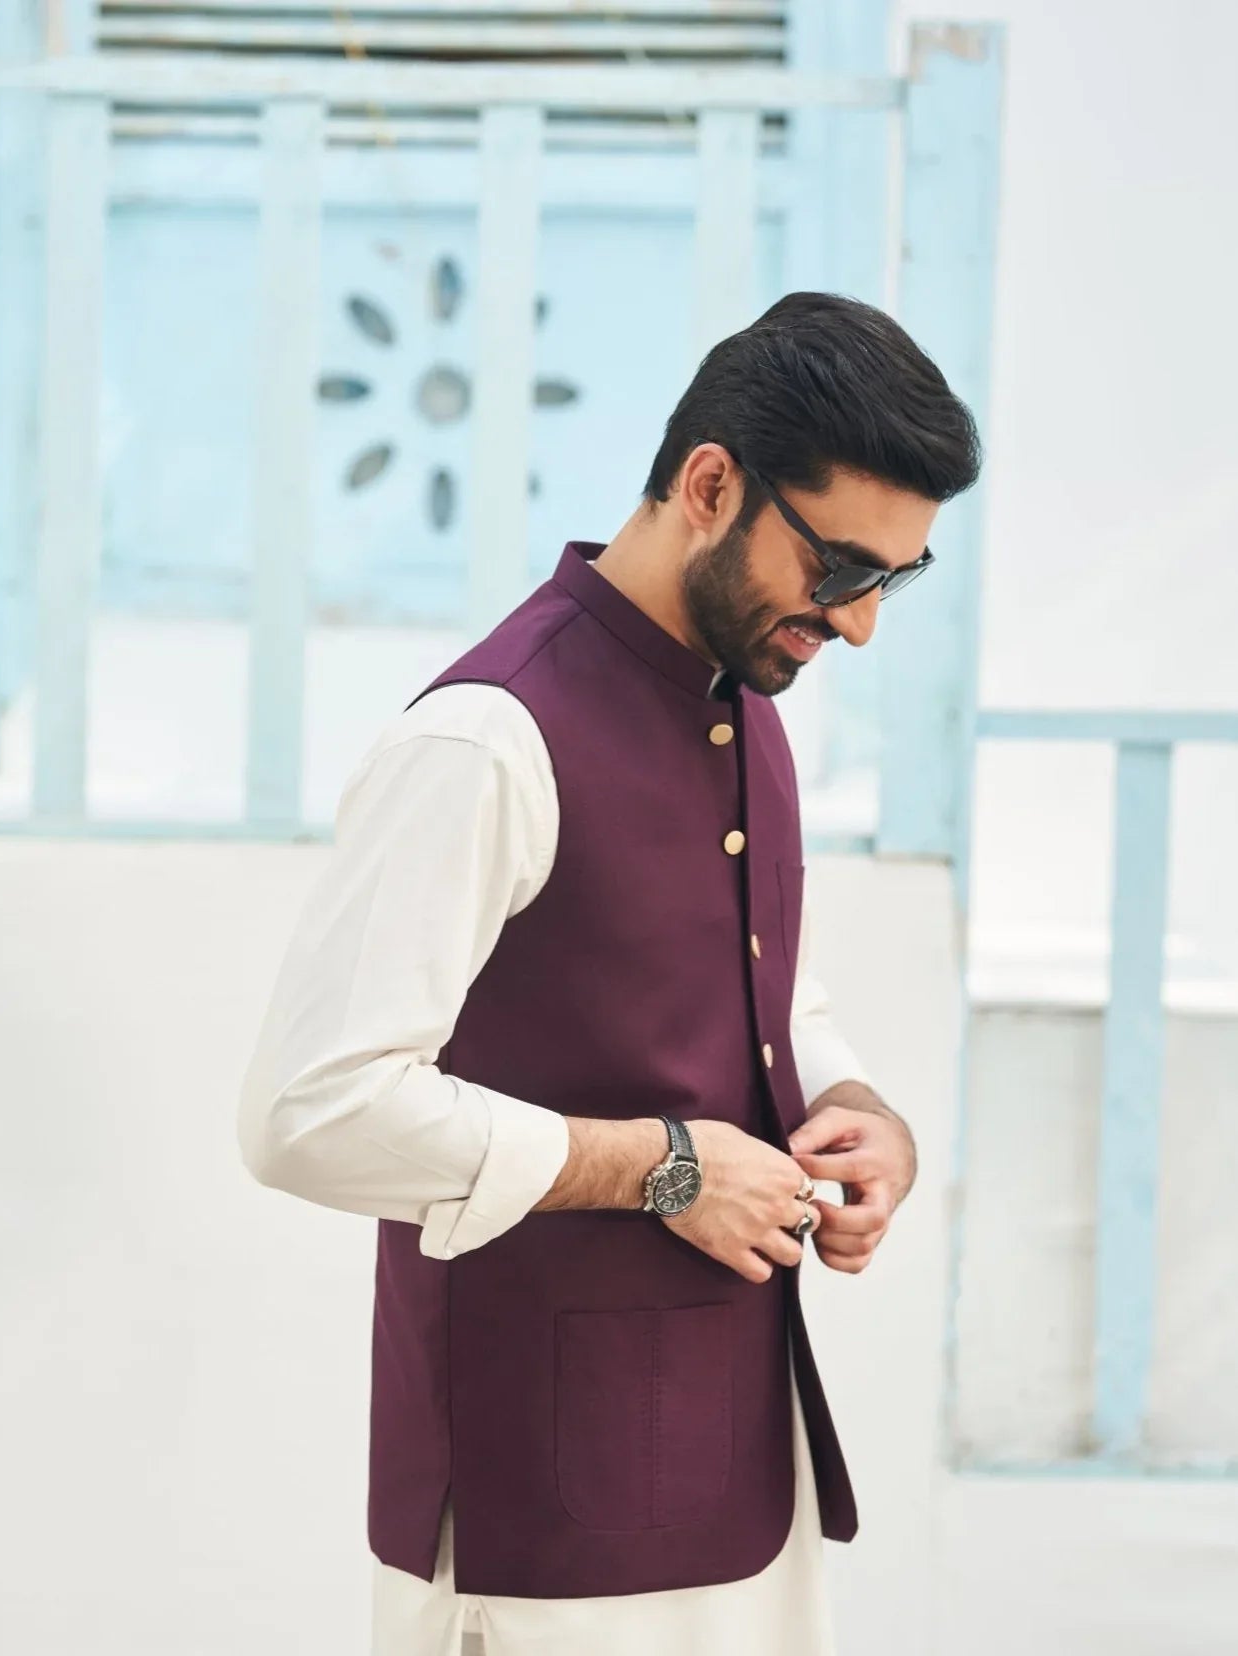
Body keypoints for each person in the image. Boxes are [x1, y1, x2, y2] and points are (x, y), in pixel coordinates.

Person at [237, 291, 981, 1655]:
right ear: (712, 484)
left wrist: (858, 1102)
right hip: (544, 1538)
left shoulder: (741, 702)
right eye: (841, 571)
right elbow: (309, 1114)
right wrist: (665, 1166)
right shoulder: (484, 740)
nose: (861, 624)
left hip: (737, 1479)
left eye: (891, 582)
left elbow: (750, 980)